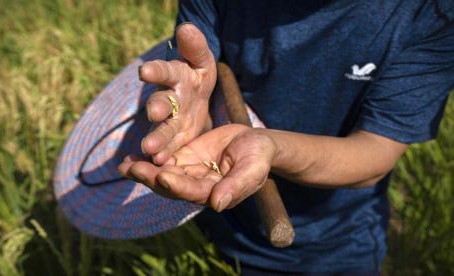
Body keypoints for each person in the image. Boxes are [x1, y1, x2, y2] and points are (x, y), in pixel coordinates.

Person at [117, 0, 454, 274]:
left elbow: (376, 151)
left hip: (328, 247)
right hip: (207, 221)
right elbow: (198, 71)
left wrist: (271, 147)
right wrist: (190, 108)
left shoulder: (428, 15)